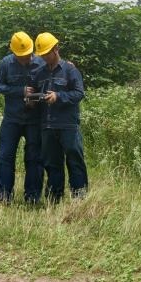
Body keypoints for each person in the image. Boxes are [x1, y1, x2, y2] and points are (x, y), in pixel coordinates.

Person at [0, 31, 45, 204]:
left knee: (35, 158)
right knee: (4, 157)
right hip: (12, 119)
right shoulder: (5, 63)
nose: (25, 59)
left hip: (34, 120)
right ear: (13, 52)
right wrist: (20, 91)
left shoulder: (42, 62)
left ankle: (32, 197)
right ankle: (4, 197)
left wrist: (35, 98)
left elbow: (50, 82)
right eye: (21, 56)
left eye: (28, 54)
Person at [35, 32, 88, 201]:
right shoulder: (39, 73)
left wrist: (58, 96)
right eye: (42, 54)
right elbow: (35, 94)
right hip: (47, 126)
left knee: (74, 160)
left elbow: (79, 93)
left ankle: (79, 198)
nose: (44, 57)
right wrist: (31, 99)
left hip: (68, 125)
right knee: (52, 164)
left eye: (46, 53)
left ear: (56, 49)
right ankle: (54, 199)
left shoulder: (70, 70)